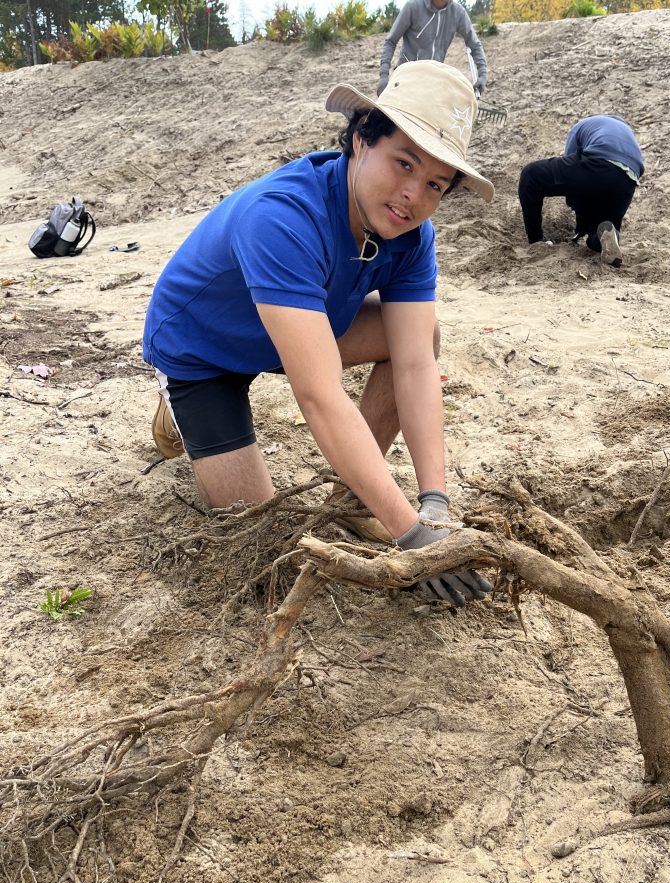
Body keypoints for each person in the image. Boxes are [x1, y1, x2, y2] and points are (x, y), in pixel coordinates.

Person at [143, 61, 494, 608]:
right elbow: (320, 394)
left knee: (420, 336)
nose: (411, 195)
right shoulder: (282, 216)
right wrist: (411, 536)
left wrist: (434, 505)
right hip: (204, 350)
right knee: (261, 543)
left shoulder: (412, 236)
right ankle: (177, 409)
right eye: (403, 163)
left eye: (434, 184)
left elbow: (415, 363)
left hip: (307, 327)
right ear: (361, 138)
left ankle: (354, 497)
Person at [517, 114, 644, 267]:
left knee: (531, 175)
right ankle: (602, 237)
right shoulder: (626, 131)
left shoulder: (581, 126)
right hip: (627, 182)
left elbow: (572, 180)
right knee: (599, 228)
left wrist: (578, 215)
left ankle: (536, 241)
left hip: (599, 162)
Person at [378, 0, 488, 98]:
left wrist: (483, 75)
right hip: (406, 76)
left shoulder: (458, 13)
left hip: (433, 79)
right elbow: (390, 41)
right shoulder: (413, 6)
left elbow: (475, 45)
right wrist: (384, 75)